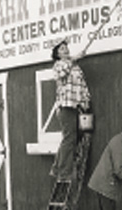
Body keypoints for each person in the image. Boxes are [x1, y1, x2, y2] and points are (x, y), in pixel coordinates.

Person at [50, 40, 91, 181]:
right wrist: (74, 58)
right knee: (69, 138)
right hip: (65, 106)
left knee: (72, 137)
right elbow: (62, 73)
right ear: (57, 54)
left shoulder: (76, 68)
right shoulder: (58, 65)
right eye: (61, 49)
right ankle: (64, 173)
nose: (65, 50)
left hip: (75, 106)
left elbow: (82, 86)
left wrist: (86, 101)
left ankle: (57, 168)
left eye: (66, 48)